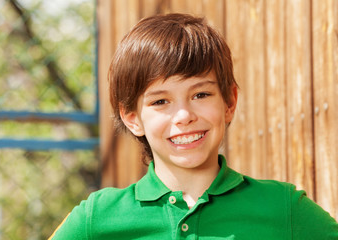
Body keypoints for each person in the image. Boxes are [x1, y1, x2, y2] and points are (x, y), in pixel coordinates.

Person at [49, 13, 338, 239]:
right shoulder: (98, 217)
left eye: (201, 94)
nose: (184, 115)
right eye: (160, 101)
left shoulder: (283, 208)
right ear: (132, 118)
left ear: (229, 102)